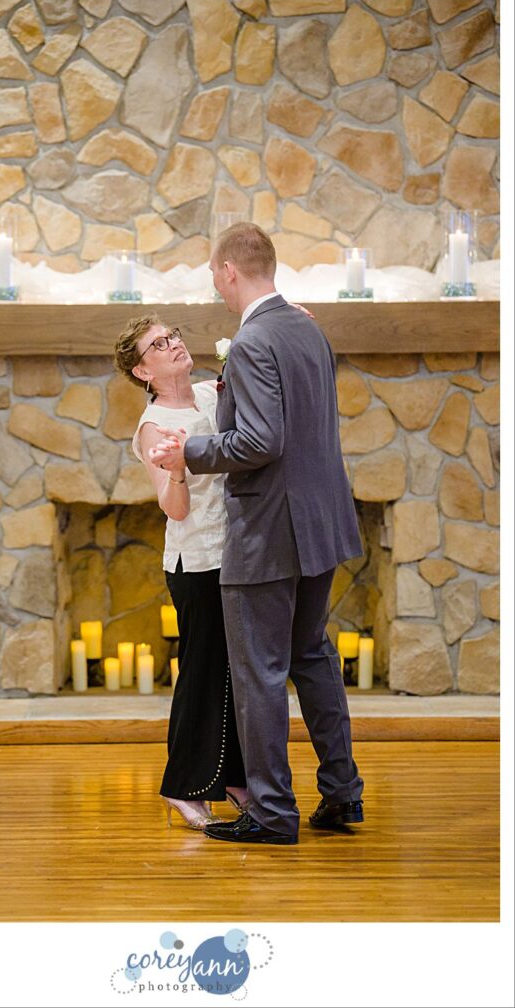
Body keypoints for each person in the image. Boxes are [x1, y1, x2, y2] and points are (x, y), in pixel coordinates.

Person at [150, 222, 365, 845]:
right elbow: (293, 425)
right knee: (313, 658)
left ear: (227, 272)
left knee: (262, 674)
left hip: (270, 530)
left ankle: (271, 814)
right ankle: (342, 795)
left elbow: (260, 442)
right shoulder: (307, 328)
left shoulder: (249, 343)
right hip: (321, 524)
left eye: (214, 277)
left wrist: (189, 450)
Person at [113, 315, 248, 831]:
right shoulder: (154, 426)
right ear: (143, 370)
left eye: (173, 336)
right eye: (159, 345)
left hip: (235, 553)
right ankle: (184, 786)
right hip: (196, 562)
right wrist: (175, 474)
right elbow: (174, 509)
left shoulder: (210, 393)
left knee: (237, 673)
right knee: (203, 672)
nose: (174, 345)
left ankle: (234, 777)